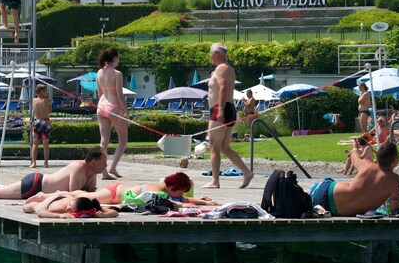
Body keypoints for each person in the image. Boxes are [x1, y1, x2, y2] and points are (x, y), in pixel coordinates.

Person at [0, 148, 105, 199]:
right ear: (94, 162)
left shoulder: (92, 173)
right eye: (104, 162)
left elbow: (89, 194)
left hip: (40, 186)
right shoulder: (78, 168)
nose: (106, 166)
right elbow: (75, 195)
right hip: (35, 186)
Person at [203, 43, 254, 188]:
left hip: (222, 108)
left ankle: (215, 181)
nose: (210, 57)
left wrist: (219, 110)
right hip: (229, 108)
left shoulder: (222, 68)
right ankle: (246, 172)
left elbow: (223, 87)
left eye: (211, 54)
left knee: (213, 145)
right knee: (224, 147)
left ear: (217, 54)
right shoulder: (228, 69)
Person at [309, 141, 399, 217]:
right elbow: (396, 210)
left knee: (326, 184)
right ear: (395, 160)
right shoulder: (395, 180)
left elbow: (354, 158)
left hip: (324, 192)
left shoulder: (367, 165)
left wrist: (355, 148)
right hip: (334, 210)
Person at [28, 171, 219, 209]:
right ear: (172, 188)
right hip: (112, 194)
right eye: (180, 191)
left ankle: (49, 195)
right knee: (83, 195)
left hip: (117, 192)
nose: (182, 194)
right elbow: (179, 203)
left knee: (82, 194)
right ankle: (47, 195)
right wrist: (204, 204)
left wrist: (203, 201)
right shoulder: (160, 193)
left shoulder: (163, 188)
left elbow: (181, 200)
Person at [96, 47, 128, 180]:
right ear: (114, 58)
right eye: (118, 57)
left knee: (103, 142)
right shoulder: (117, 74)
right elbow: (120, 96)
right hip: (114, 106)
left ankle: (103, 172)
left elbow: (99, 94)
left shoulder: (99, 72)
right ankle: (113, 167)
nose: (119, 60)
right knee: (123, 140)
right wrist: (126, 112)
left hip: (102, 106)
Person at [24, 195, 118, 219]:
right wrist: (60, 216)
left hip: (65, 197)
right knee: (30, 208)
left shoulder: (90, 207)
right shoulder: (63, 208)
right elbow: (41, 213)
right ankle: (39, 197)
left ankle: (41, 195)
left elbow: (114, 212)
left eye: (70, 209)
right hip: (52, 202)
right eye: (70, 206)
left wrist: (104, 215)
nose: (68, 209)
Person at [30, 84, 52, 169]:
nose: (47, 93)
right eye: (46, 91)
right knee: (45, 144)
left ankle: (33, 162)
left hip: (37, 121)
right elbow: (50, 111)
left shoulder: (34, 100)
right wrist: (48, 102)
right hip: (45, 121)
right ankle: (46, 162)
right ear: (42, 91)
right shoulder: (47, 101)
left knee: (35, 144)